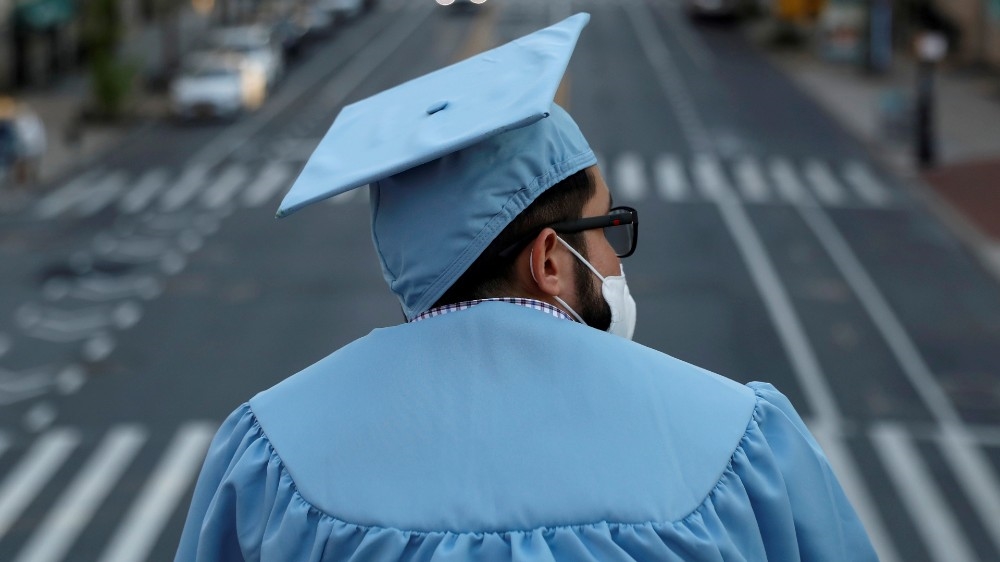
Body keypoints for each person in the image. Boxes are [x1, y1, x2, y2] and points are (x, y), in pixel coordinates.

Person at [176, 13, 877, 561]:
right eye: (606, 228)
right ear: (548, 261)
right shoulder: (741, 445)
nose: (615, 259)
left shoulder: (271, 459)